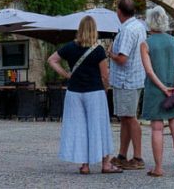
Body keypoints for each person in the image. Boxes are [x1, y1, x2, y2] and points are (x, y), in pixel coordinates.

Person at [47, 15, 122, 175]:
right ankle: (105, 164)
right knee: (99, 127)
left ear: (79, 29)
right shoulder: (98, 50)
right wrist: (106, 89)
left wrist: (66, 75)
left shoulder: (70, 47)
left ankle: (84, 165)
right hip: (94, 92)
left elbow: (52, 60)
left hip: (74, 92)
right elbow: (104, 75)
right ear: (94, 30)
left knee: (79, 127)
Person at [139, 5, 174, 178]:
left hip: (155, 90)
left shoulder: (146, 44)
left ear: (149, 22)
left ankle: (158, 168)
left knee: (157, 129)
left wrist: (162, 87)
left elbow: (149, 71)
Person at [107, 0, 147, 170]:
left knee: (130, 118)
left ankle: (138, 157)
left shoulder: (127, 31)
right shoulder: (139, 26)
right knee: (125, 118)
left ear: (119, 12)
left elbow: (123, 58)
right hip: (135, 78)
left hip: (126, 80)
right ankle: (122, 155)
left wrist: (111, 54)